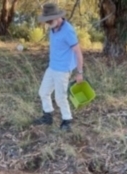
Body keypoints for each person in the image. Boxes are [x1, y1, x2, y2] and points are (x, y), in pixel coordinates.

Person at [34, 3, 84, 131]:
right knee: (43, 92)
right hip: (52, 67)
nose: (48, 23)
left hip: (62, 69)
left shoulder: (68, 31)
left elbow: (78, 52)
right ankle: (47, 116)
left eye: (49, 20)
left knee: (60, 97)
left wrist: (79, 72)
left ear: (57, 17)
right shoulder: (53, 27)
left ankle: (67, 121)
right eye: (47, 21)